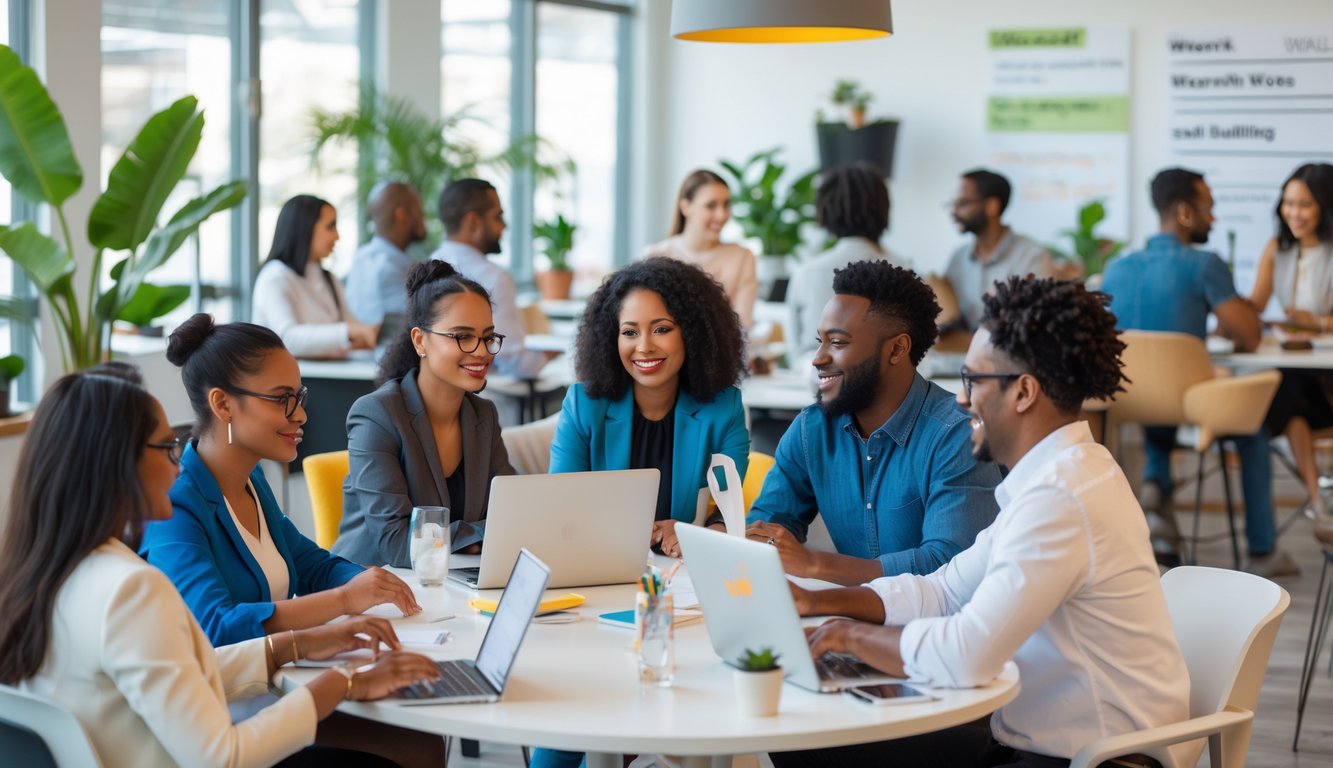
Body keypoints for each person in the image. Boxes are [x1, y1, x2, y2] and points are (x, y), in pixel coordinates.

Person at [772, 277, 1190, 768]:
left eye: (973, 381)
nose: (962, 399)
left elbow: (967, 653)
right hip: (1030, 740)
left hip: (1095, 758)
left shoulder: (1060, 499)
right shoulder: (1055, 478)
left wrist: (846, 636)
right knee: (813, 745)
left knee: (821, 748)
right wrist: (818, 602)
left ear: (1024, 392)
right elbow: (943, 591)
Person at [0, 362, 439, 768]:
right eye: (167, 446)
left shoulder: (48, 573)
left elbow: (177, 673)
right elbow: (223, 757)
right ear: (119, 464)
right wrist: (345, 683)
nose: (178, 462)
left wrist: (296, 645)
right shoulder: (130, 590)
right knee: (409, 750)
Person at [536, 257, 749, 768]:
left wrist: (697, 531)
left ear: (692, 334)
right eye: (629, 332)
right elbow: (562, 509)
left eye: (661, 329)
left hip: (682, 608)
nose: (644, 347)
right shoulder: (584, 404)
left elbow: (731, 518)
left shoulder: (722, 407)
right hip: (595, 593)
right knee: (566, 720)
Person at [141, 314, 421, 648]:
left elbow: (310, 565)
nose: (300, 415)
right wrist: (345, 599)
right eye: (281, 399)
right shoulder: (175, 503)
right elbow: (215, 627)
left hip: (277, 677)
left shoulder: (252, 479)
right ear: (223, 404)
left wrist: (370, 582)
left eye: (298, 397)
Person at [746, 260, 1001, 586]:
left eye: (837, 342)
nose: (818, 357)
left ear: (897, 348)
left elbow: (948, 566)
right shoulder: (812, 429)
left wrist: (816, 565)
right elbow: (767, 526)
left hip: (934, 629)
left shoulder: (957, 436)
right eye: (820, 340)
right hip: (846, 618)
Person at [1101, 168, 1293, 577]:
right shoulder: (1205, 265)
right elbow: (1250, 335)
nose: (1214, 217)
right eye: (1209, 207)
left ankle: (1157, 486)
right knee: (1251, 427)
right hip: (1186, 400)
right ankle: (1262, 550)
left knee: (1158, 405)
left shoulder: (1117, 268)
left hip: (1128, 402)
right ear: (1185, 212)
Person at [333, 260, 517, 568]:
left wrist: (478, 536)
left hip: (447, 584)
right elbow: (397, 543)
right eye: (463, 336)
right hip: (372, 588)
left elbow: (514, 513)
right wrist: (481, 535)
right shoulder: (377, 415)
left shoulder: (482, 415)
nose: (482, 351)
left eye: (487, 337)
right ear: (420, 340)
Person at [1247, 162, 1333, 518]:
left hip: (1326, 375)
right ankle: (1319, 498)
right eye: (1288, 203)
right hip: (1297, 373)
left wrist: (1318, 322)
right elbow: (1255, 305)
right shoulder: (1276, 249)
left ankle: (1251, 432)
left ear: (1326, 208)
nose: (1293, 213)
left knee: (1281, 393)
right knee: (1291, 398)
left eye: (1304, 205)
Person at [430, 178, 549, 379]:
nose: (504, 226)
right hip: (491, 397)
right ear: (473, 222)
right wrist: (548, 356)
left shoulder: (426, 269)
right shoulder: (494, 277)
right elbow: (512, 360)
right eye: (498, 216)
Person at [787, 162, 903, 355]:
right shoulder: (904, 270)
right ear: (883, 209)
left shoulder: (806, 273)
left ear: (825, 211)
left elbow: (795, 350)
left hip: (815, 379)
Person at [252, 194, 379, 358]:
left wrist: (364, 335)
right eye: (330, 226)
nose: (337, 236)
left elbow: (353, 331)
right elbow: (286, 339)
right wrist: (347, 332)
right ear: (305, 228)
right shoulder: (274, 276)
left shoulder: (329, 279)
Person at [943, 168, 1057, 330]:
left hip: (1010, 354)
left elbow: (1039, 322)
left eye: (962, 203)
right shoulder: (958, 258)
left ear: (992, 206)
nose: (954, 212)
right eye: (953, 204)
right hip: (958, 353)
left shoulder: (1032, 257)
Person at [644, 169, 758, 329]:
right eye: (711, 205)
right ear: (686, 207)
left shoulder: (743, 258)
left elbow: (742, 327)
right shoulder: (655, 256)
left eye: (726, 205)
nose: (722, 215)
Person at [345, 181, 428, 324]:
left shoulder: (364, 257)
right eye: (419, 212)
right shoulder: (386, 267)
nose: (423, 218)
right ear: (401, 214)